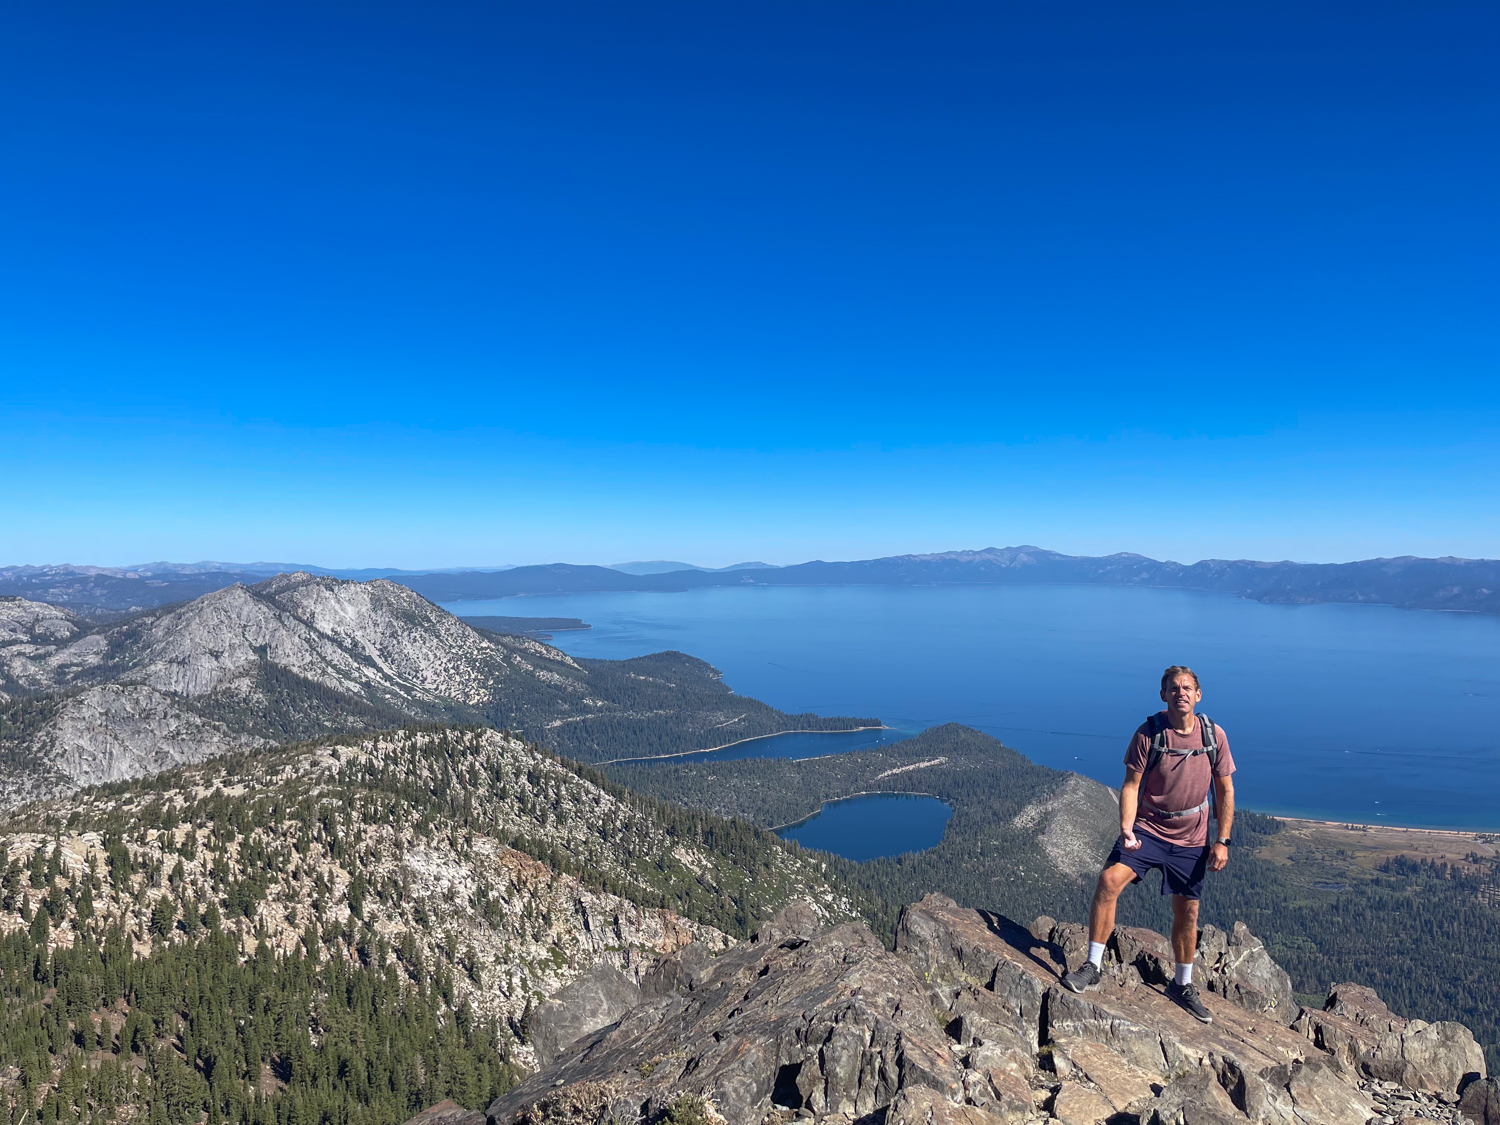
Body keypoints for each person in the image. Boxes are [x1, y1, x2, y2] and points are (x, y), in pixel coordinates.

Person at [1060, 665, 1235, 1023]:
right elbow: (1130, 784)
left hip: (1191, 838)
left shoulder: (1213, 736)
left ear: (1198, 695)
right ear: (1163, 695)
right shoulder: (1149, 734)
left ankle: (1182, 985)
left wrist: (1223, 840)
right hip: (1149, 829)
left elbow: (1225, 789)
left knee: (1187, 912)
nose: (1181, 693)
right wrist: (1127, 827)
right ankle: (1093, 964)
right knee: (1109, 881)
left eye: (1187, 688)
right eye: (1174, 688)